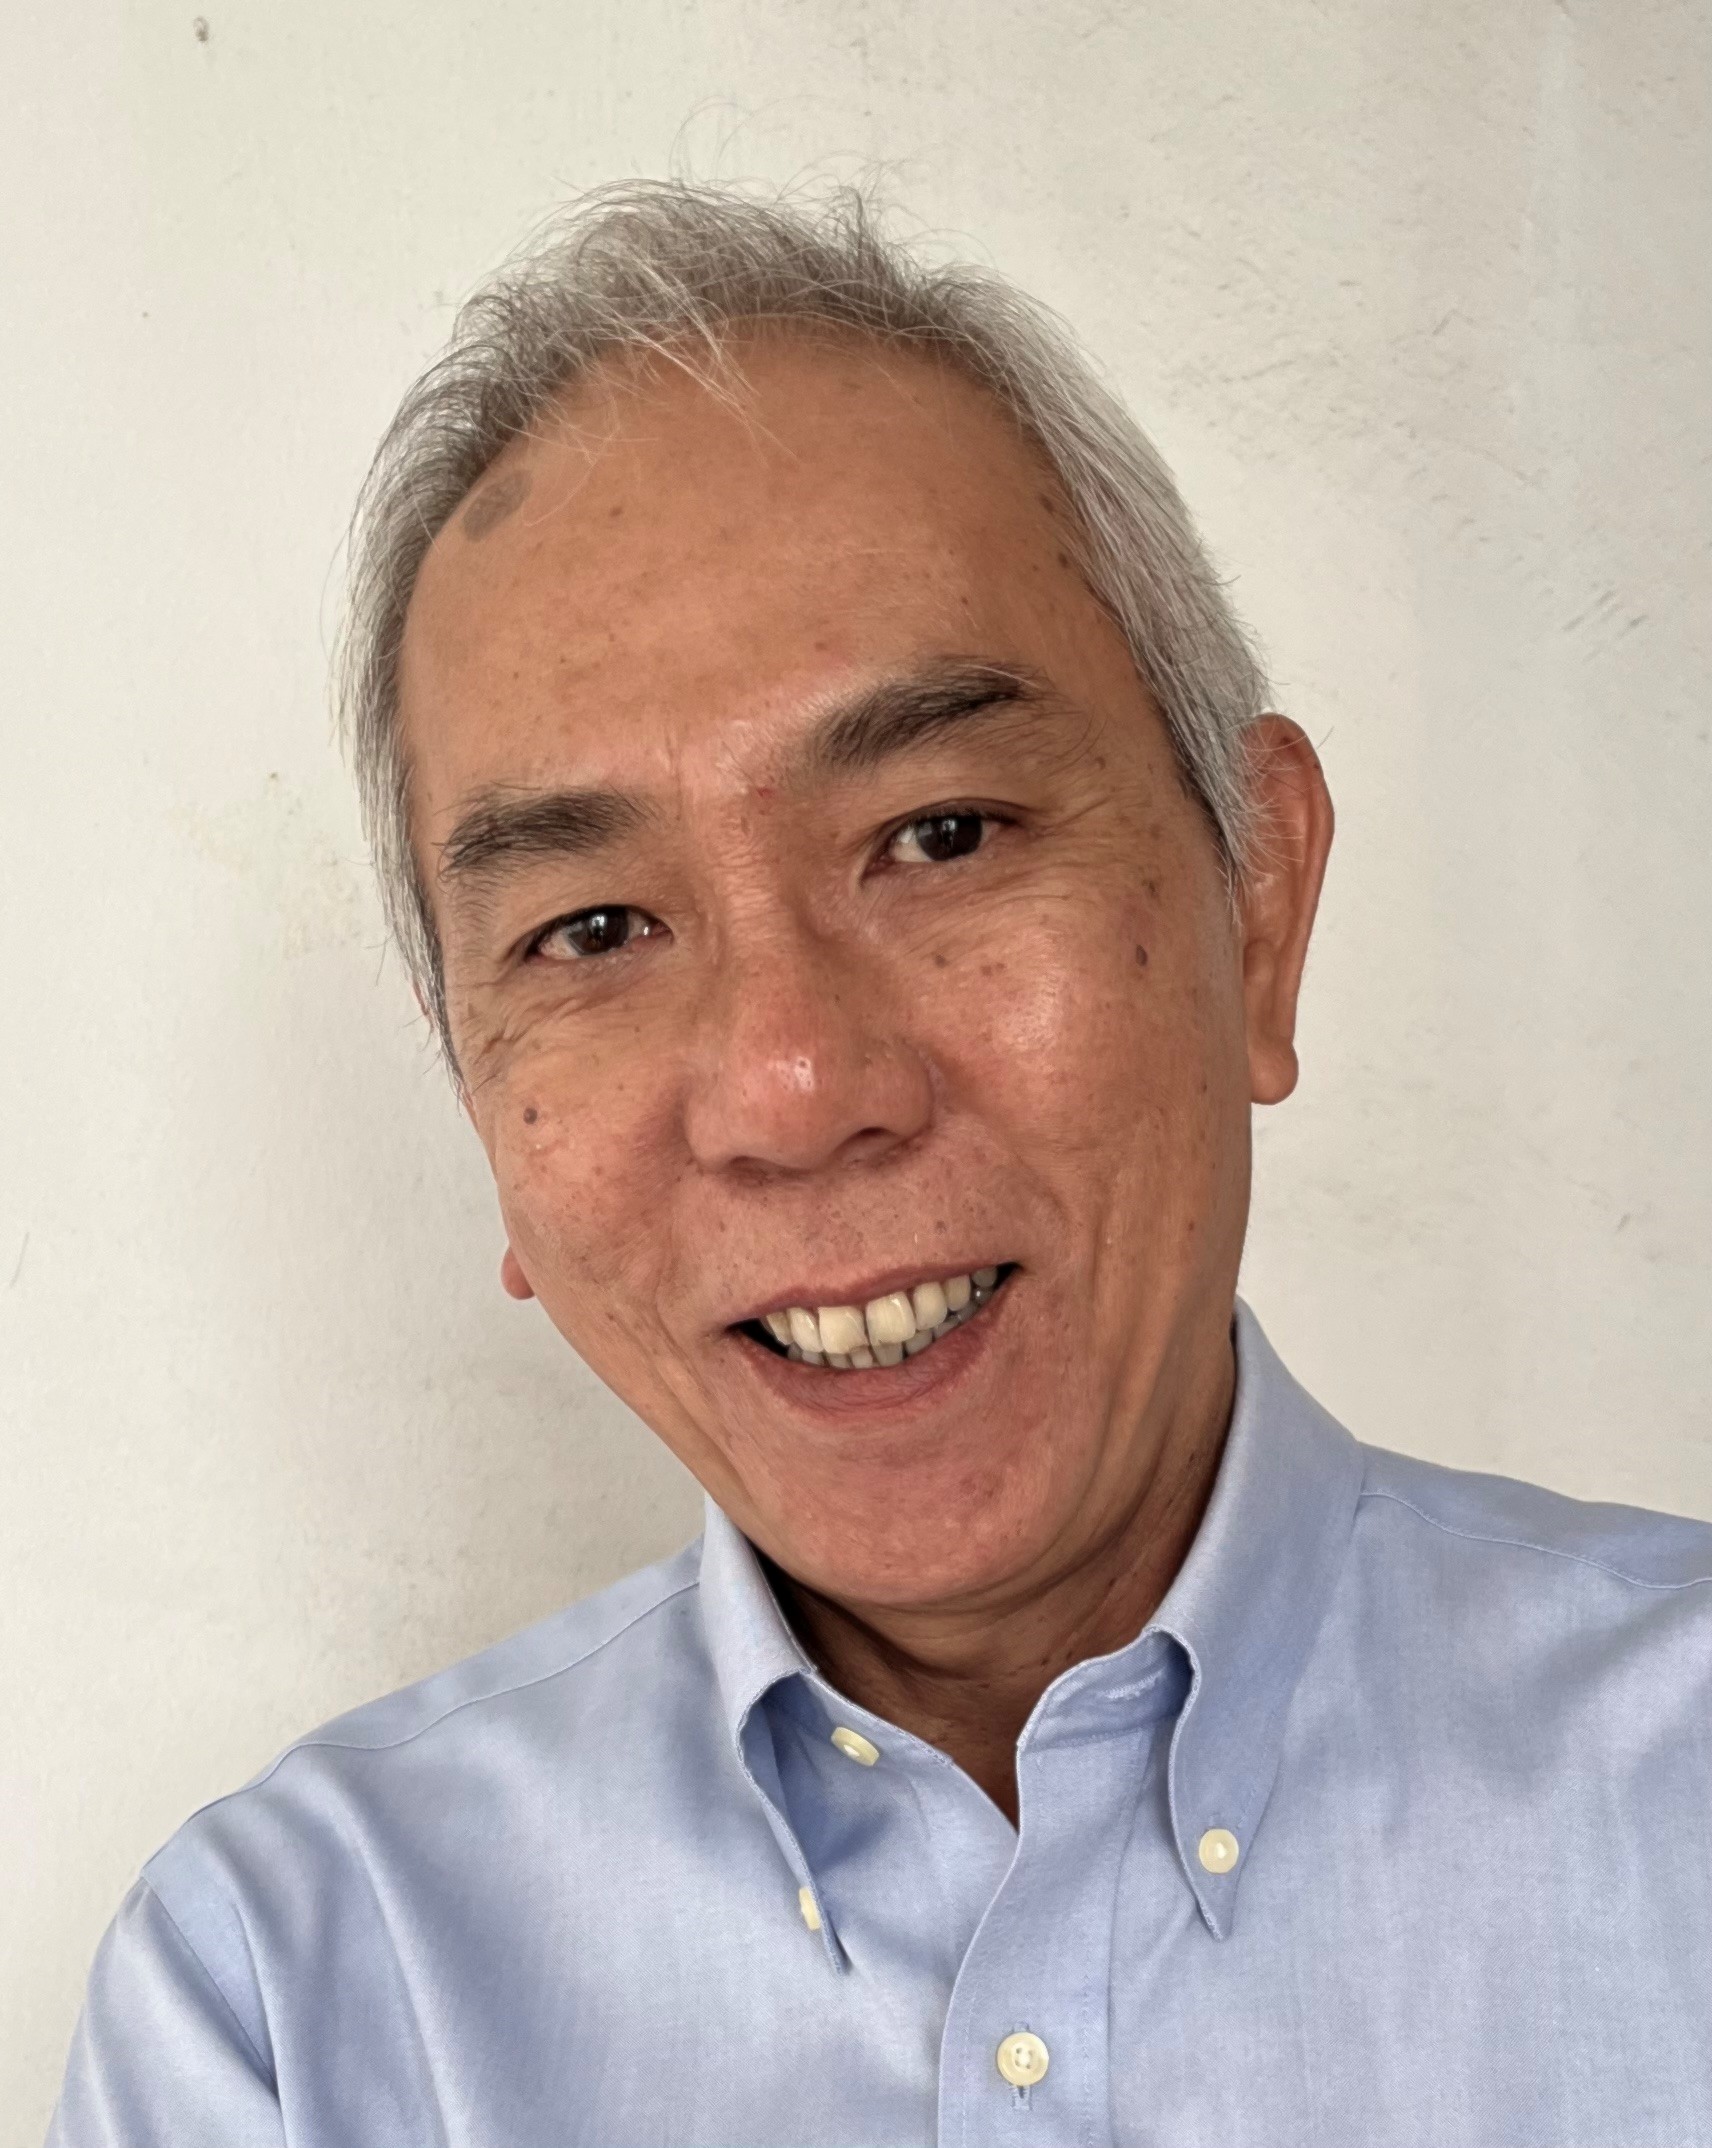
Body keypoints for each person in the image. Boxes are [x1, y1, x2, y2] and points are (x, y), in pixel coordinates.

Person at [49, 183, 1712, 2148]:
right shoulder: (293, 2001)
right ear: (482, 1106)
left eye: (940, 834)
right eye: (592, 931)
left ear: (1258, 903)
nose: (791, 1082)